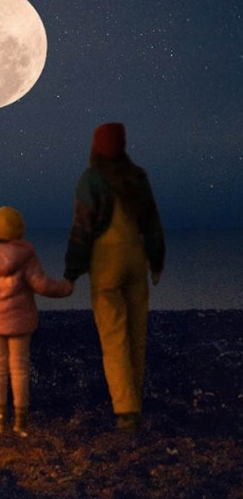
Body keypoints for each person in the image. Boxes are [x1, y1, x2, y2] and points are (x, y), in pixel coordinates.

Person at [64, 122, 165, 432]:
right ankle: (137, 404)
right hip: (136, 259)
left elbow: (82, 228)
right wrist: (156, 262)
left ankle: (126, 410)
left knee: (114, 337)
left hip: (107, 261)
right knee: (137, 334)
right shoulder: (138, 177)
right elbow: (152, 223)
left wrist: (72, 272)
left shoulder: (91, 179)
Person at [0, 206, 74, 437]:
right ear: (19, 229)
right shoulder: (26, 255)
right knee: (19, 368)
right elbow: (42, 285)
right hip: (19, 322)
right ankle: (21, 420)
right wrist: (65, 288)